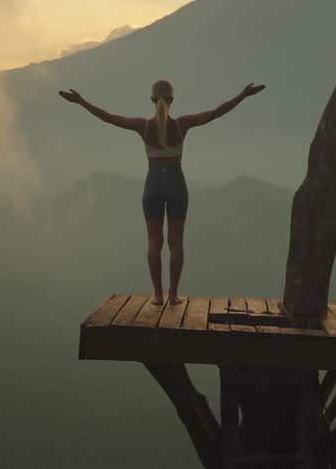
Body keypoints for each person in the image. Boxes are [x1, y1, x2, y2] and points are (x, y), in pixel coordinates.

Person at [58, 79, 267, 306]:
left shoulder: (143, 126)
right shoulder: (182, 124)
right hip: (176, 183)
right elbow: (216, 113)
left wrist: (80, 101)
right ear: (172, 100)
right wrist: (242, 95)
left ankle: (157, 296)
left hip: (153, 184)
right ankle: (174, 295)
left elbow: (108, 117)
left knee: (153, 243)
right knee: (176, 243)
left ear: (151, 100)